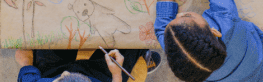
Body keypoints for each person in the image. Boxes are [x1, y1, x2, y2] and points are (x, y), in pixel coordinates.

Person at [16, 48, 161, 82]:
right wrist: (116, 73)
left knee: (46, 40)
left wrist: (26, 61)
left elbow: (26, 71)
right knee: (128, 49)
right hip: (100, 75)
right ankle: (140, 54)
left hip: (53, 69)